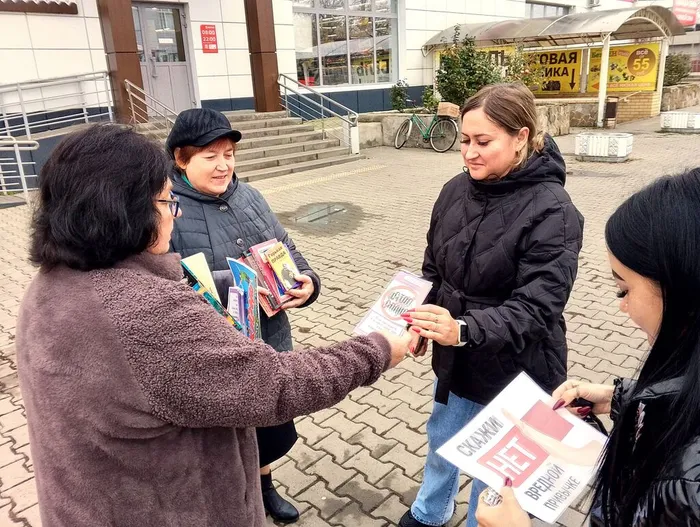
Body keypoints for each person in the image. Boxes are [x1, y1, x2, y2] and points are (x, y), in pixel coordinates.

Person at [15, 124, 418, 527]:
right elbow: (274, 385)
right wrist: (378, 349)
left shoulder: (49, 286)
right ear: (125, 210)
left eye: (229, 155)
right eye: (166, 201)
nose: (175, 213)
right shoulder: (145, 312)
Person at [398, 83, 584, 527]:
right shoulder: (454, 190)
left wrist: (462, 329)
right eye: (464, 140)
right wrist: (422, 319)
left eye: (483, 142)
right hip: (456, 358)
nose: (469, 153)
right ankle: (430, 511)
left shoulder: (554, 210)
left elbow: (537, 309)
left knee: (494, 476)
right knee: (442, 440)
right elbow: (433, 267)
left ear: (521, 137)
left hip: (517, 367)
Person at [476, 167, 700, 527]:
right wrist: (620, 398)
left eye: (623, 289)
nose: (622, 307)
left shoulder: (687, 490)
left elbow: (537, 305)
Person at [165, 108, 319, 523]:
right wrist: (236, 281)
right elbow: (164, 279)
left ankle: (265, 487)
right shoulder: (164, 208)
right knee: (224, 439)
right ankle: (233, 503)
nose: (223, 165)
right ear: (181, 158)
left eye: (229, 154)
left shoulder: (249, 196)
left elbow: (285, 247)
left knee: (267, 424)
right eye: (210, 156)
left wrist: (307, 281)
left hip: (267, 339)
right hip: (212, 349)